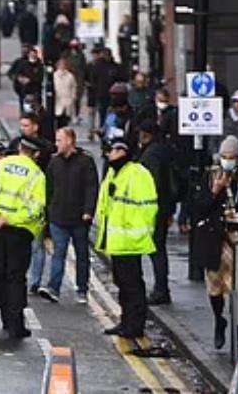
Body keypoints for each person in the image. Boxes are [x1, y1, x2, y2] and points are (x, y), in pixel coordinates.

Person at [190, 136, 238, 349]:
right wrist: (215, 191)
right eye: (224, 156)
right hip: (215, 238)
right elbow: (199, 207)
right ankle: (220, 320)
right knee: (216, 287)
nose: (228, 160)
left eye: (232, 157)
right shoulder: (210, 177)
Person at [0, 135, 45, 339]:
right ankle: (14, 325)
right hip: (19, 231)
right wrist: (12, 219)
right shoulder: (36, 175)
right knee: (15, 279)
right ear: (36, 154)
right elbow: (36, 208)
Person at [96, 140, 158, 343]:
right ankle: (126, 321)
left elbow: (147, 207)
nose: (108, 155)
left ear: (122, 151)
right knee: (122, 284)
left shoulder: (138, 174)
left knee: (132, 285)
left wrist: (136, 232)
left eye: (112, 151)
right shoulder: (115, 173)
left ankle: (135, 325)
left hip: (131, 240)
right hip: (117, 240)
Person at [39, 127, 97, 304]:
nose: (56, 144)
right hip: (58, 216)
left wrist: (88, 211)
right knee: (59, 253)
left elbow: (91, 187)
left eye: (59, 140)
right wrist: (47, 211)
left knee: (81, 255)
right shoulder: (54, 162)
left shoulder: (86, 161)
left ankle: (82, 289)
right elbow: (48, 188)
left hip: (79, 217)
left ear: (70, 140)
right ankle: (53, 288)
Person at [135, 119, 175, 305]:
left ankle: (161, 290)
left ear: (146, 135)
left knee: (156, 250)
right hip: (165, 207)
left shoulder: (151, 155)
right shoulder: (164, 150)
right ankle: (161, 288)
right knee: (159, 250)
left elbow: (153, 184)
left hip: (153, 209)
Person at [53, 59, 78, 129]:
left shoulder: (70, 76)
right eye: (60, 65)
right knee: (57, 118)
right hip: (57, 100)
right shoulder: (54, 75)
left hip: (67, 100)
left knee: (65, 120)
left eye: (64, 65)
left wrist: (73, 97)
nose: (62, 66)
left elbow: (74, 87)